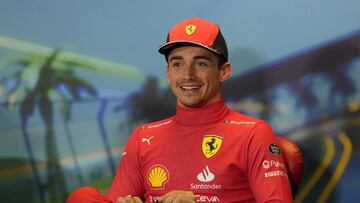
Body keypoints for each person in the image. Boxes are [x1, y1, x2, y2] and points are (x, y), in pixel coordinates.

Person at [67, 17, 293, 203]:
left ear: (223, 72)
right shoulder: (143, 137)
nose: (187, 75)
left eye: (201, 63)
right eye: (177, 64)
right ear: (168, 72)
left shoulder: (253, 133)